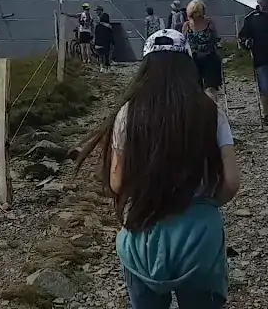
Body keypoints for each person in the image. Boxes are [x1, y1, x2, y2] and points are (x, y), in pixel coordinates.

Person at [75, 29, 241, 308]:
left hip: (143, 235)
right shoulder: (210, 111)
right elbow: (231, 182)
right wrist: (205, 206)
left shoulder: (127, 112)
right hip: (200, 239)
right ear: (188, 64)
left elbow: (117, 183)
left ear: (145, 67)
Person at [182, 0, 222, 101]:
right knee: (195, 89)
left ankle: (212, 110)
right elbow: (183, 42)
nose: (196, 16)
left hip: (209, 59)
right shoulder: (186, 26)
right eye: (193, 13)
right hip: (193, 60)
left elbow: (216, 39)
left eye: (197, 13)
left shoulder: (209, 23)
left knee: (210, 88)